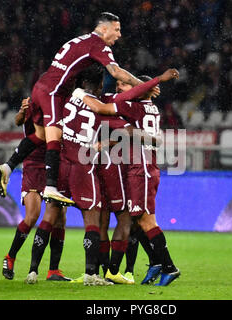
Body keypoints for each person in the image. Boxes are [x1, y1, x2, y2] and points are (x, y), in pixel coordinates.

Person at [0, 12, 152, 206]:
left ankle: (8, 167)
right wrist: (144, 85)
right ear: (104, 28)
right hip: (53, 92)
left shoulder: (78, 40)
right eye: (117, 29)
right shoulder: (98, 44)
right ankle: (51, 187)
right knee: (55, 137)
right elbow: (115, 72)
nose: (119, 34)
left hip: (41, 85)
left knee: (41, 136)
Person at [74, 71, 181, 286]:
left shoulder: (133, 106)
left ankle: (168, 267)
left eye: (124, 85)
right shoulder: (151, 107)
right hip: (145, 166)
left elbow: (102, 108)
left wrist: (79, 95)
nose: (120, 89)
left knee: (145, 220)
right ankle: (156, 263)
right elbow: (137, 134)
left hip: (140, 168)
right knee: (136, 218)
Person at [3, 98, 70, 282]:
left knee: (60, 218)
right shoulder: (33, 103)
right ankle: (10, 257)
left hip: (55, 164)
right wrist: (24, 111)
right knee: (33, 215)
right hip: (33, 164)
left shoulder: (62, 105)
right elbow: (18, 121)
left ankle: (53, 270)